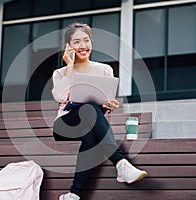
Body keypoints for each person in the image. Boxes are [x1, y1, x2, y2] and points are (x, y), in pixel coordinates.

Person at [51, 22, 147, 200]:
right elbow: (61, 96)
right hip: (65, 124)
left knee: (91, 137)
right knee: (88, 107)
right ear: (68, 46)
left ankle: (73, 194)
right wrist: (70, 66)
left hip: (90, 122)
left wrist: (109, 105)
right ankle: (120, 163)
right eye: (77, 42)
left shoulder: (104, 69)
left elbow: (104, 102)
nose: (83, 46)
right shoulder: (60, 72)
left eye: (86, 41)